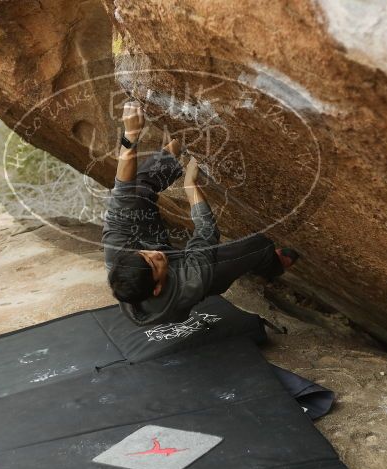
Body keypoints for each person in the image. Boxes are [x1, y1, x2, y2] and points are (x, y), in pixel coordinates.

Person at [103, 102, 298, 325]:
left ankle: (179, 145)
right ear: (157, 288)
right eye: (154, 264)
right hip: (191, 280)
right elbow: (206, 232)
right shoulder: (188, 283)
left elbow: (123, 191)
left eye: (144, 255)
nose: (155, 255)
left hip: (157, 253)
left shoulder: (118, 251)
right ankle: (273, 266)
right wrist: (190, 184)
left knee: (137, 190)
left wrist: (131, 136)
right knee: (258, 246)